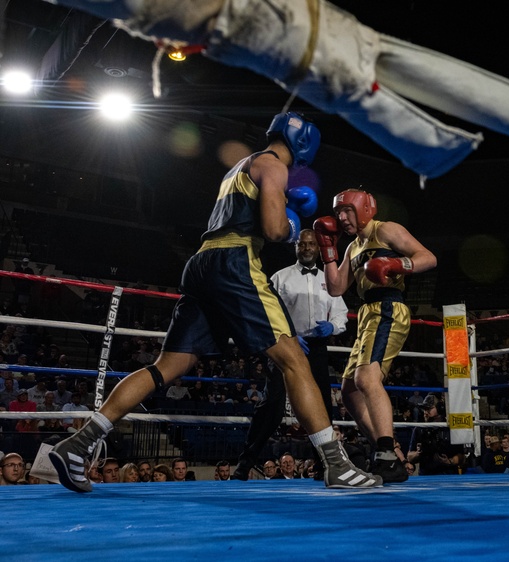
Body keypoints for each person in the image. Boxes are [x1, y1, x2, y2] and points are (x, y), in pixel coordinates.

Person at [47, 112, 381, 493]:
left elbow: (247, 213)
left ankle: (79, 442)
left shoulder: (240, 168)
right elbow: (273, 230)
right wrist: (292, 223)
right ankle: (336, 465)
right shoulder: (274, 166)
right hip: (235, 261)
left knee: (168, 366)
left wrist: (283, 203)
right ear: (306, 145)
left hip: (202, 262)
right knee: (295, 360)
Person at [314, 188, 437, 483]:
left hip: (389, 306)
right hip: (368, 313)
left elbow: (428, 258)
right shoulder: (353, 247)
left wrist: (397, 264)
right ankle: (389, 452)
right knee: (349, 391)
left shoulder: (387, 230)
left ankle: (385, 455)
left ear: (363, 208)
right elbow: (336, 288)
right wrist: (328, 249)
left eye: (347, 211)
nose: (342, 218)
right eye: (339, 212)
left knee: (366, 379)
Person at [233, 229, 349, 481]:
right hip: (285, 344)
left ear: (318, 249)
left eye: (311, 244)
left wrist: (333, 326)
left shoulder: (329, 279)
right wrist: (290, 335)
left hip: (316, 347)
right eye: (302, 244)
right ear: (295, 247)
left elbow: (340, 313)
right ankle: (245, 464)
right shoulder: (280, 278)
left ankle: (324, 465)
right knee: (272, 405)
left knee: (322, 406)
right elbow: (268, 312)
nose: (306, 248)